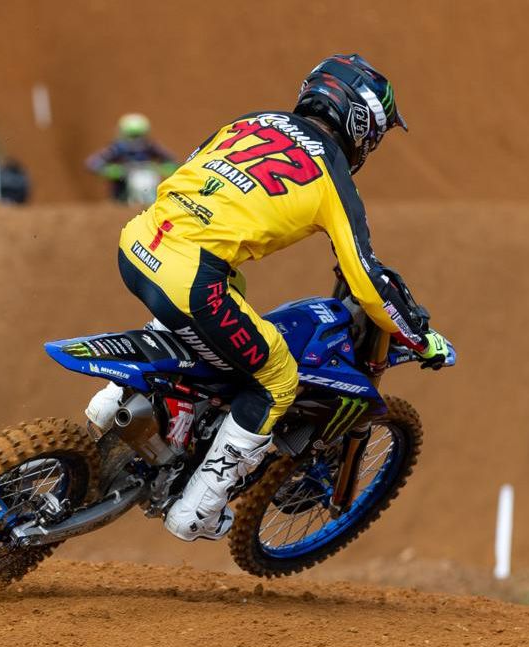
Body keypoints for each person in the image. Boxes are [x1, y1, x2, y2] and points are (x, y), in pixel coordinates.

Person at [86, 54, 455, 542]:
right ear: (359, 122)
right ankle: (197, 509)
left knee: (227, 292)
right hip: (190, 279)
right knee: (277, 379)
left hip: (138, 240)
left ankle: (116, 401)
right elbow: (367, 281)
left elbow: (189, 166)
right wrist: (421, 337)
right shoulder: (332, 174)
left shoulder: (253, 121)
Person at [86, 113, 178, 202]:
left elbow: (172, 160)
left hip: (148, 180)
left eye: (138, 135)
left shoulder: (150, 146)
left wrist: (164, 168)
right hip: (122, 188)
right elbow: (93, 163)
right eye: (132, 135)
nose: (136, 140)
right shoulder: (116, 148)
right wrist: (111, 170)